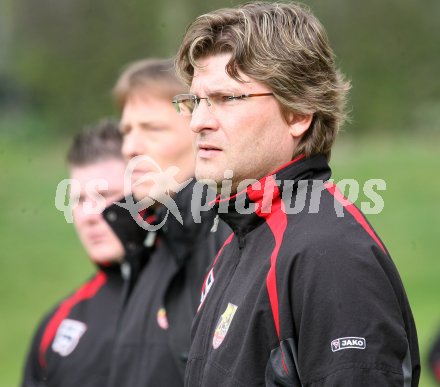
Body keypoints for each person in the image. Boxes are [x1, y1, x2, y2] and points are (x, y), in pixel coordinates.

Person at [174, 2, 420, 386]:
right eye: (195, 101)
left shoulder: (331, 254)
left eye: (227, 99)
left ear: (298, 113)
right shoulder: (241, 238)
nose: (198, 122)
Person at [100, 58, 230, 387]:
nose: (130, 148)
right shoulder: (151, 242)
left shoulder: (231, 239)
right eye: (126, 131)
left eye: (152, 129)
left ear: (202, 129)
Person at [21, 120, 135, 387]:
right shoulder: (58, 324)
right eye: (79, 200)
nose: (88, 216)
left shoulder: (200, 295)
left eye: (105, 194)